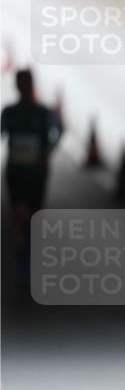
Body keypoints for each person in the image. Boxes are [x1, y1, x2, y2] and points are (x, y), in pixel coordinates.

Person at [1, 69, 62, 275]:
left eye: (26, 83)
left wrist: (47, 153)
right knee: (19, 214)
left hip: (37, 174)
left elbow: (58, 131)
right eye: (22, 83)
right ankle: (22, 256)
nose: (24, 87)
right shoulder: (9, 112)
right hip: (16, 173)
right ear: (18, 86)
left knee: (34, 216)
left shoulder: (42, 112)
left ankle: (30, 253)